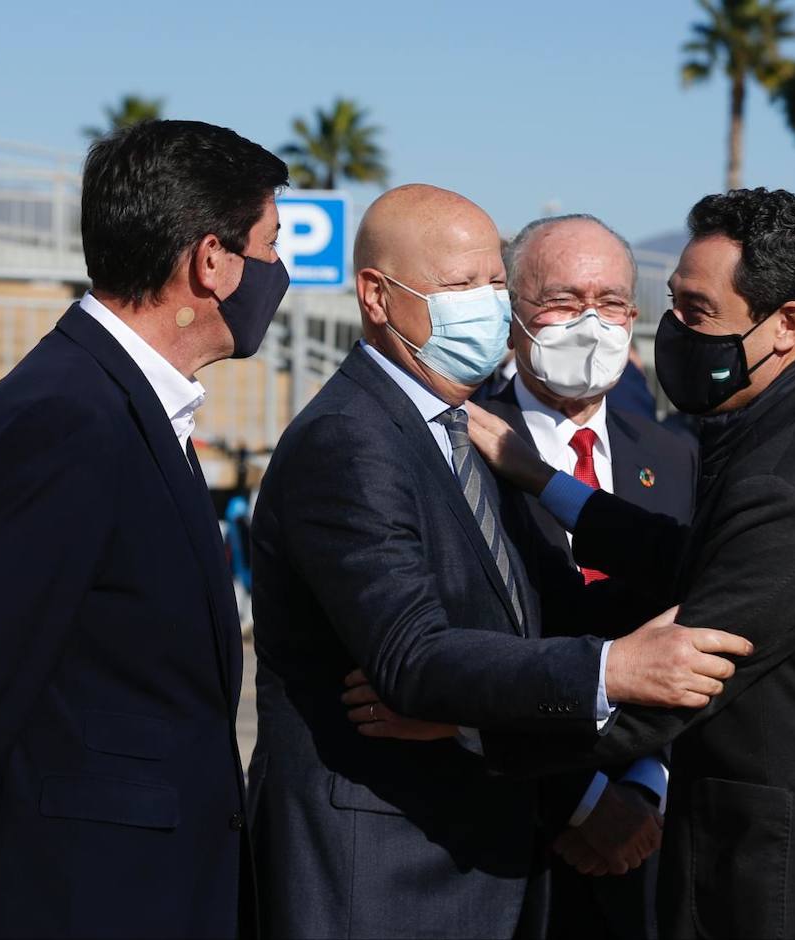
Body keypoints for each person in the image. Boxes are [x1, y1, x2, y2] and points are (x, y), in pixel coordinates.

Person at [465, 188, 795, 938]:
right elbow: (701, 559)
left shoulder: (794, 475)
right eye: (671, 303)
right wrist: (549, 483)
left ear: (787, 325)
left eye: (697, 312)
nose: (671, 329)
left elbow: (675, 685)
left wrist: (459, 719)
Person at [247, 183, 750, 939]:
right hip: (390, 873)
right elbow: (415, 658)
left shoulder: (465, 436)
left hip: (494, 864)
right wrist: (611, 671)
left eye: (490, 283)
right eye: (460, 287)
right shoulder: (353, 438)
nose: (482, 304)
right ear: (378, 296)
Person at [0, 119, 289, 938]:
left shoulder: (129, 404)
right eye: (269, 248)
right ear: (209, 261)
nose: (280, 275)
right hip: (90, 900)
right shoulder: (68, 419)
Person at [486, 214, 699, 940]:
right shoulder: (463, 442)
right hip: (503, 836)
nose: (589, 321)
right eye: (562, 299)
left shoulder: (673, 457)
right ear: (512, 315)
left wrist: (646, 785)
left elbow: (704, 626)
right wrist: (582, 801)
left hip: (647, 841)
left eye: (610, 302)